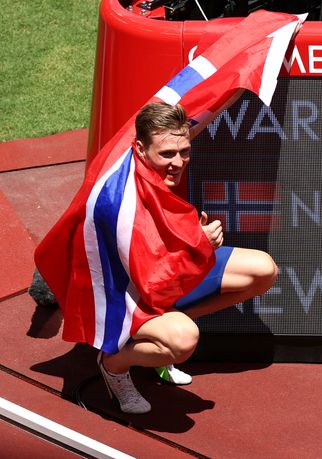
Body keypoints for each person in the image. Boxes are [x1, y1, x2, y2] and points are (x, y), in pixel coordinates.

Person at [97, 102, 278, 414]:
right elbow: (150, 281)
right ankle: (115, 363)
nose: (178, 162)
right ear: (140, 149)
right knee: (182, 342)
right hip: (131, 295)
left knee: (264, 271)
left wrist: (194, 236)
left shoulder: (154, 166)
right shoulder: (122, 202)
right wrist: (199, 244)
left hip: (171, 271)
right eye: (167, 154)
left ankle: (167, 330)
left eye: (184, 151)